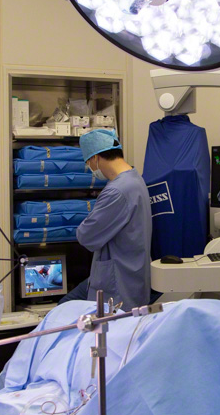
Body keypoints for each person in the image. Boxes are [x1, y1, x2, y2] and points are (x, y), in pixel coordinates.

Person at [59, 128, 152, 309]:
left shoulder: (117, 191)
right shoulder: (135, 179)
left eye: (88, 163)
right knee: (66, 304)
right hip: (130, 275)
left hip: (117, 285)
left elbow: (86, 236)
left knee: (67, 312)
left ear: (95, 158)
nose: (90, 168)